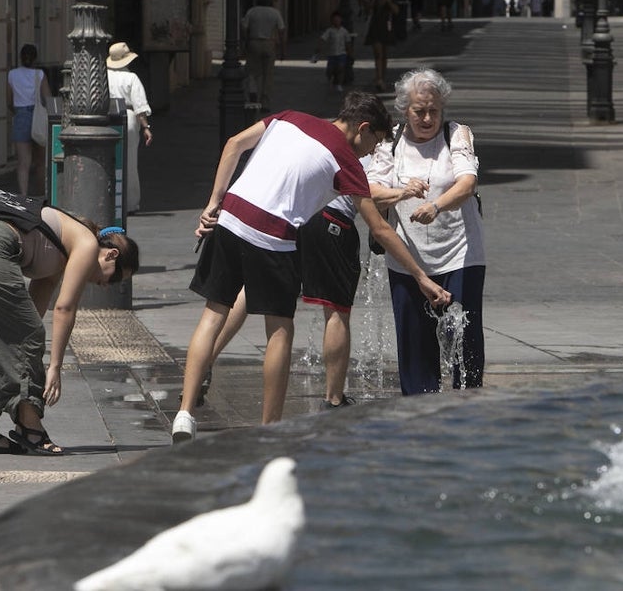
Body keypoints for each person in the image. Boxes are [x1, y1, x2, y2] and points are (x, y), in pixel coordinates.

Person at [172, 91, 451, 441]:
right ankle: (270, 429)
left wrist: (214, 203)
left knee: (213, 315)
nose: (370, 152)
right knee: (280, 330)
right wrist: (421, 276)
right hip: (272, 234)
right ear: (362, 128)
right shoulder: (346, 160)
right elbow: (378, 227)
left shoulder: (289, 117)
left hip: (229, 217)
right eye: (374, 143)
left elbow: (233, 145)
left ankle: (183, 415)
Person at [0, 206, 140, 456]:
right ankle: (30, 428)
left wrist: (19, 344)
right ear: (111, 255)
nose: (105, 285)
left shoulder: (61, 246)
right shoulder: (86, 244)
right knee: (26, 339)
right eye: (114, 278)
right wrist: (54, 367)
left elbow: (33, 311)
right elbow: (64, 308)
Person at [365, 68, 486, 395]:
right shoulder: (390, 143)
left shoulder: (457, 135)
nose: (428, 117)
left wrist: (435, 206)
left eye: (434, 110)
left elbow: (467, 182)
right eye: (420, 111)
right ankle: (418, 414)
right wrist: (403, 193)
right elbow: (371, 191)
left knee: (465, 341)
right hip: (406, 259)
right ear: (405, 109)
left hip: (461, 254)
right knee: (415, 345)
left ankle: (468, 407)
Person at [206, 190, 366, 410]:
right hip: (331, 219)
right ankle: (334, 399)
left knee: (250, 286)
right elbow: (371, 193)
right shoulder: (367, 155)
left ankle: (205, 361)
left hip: (291, 217)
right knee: (336, 310)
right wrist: (401, 194)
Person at [105, 42, 153, 214]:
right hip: (128, 116)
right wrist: (146, 127)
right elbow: (139, 105)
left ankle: (108, 199)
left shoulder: (103, 76)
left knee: (108, 159)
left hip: (107, 117)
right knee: (130, 161)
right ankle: (130, 203)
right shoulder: (131, 78)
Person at [7, 44, 50, 196]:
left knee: (23, 163)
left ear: (20, 57)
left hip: (20, 116)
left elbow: (9, 101)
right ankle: (40, 194)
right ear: (35, 59)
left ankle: (23, 195)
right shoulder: (40, 74)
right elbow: (47, 98)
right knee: (40, 162)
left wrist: (17, 112)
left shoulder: (12, 74)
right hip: (37, 116)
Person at [241, 0, 286, 111]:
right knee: (268, 74)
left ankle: (252, 92)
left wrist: (245, 42)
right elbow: (281, 31)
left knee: (252, 71)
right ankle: (265, 102)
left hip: (254, 42)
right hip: (269, 44)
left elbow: (244, 28)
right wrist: (282, 49)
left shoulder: (252, 11)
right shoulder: (275, 13)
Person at [364, 0, 398, 93]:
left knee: (384, 55)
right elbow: (368, 11)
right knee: (378, 54)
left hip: (386, 28)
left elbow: (396, 11)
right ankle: (378, 78)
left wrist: (388, 1)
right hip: (375, 27)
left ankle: (382, 77)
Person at [314, 10, 353, 93]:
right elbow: (323, 39)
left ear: (341, 20)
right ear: (332, 21)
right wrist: (319, 47)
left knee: (341, 68)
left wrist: (350, 52)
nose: (336, 21)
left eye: (338, 20)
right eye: (334, 20)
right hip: (331, 54)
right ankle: (331, 79)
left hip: (342, 53)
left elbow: (348, 42)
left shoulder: (344, 31)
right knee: (330, 70)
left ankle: (339, 84)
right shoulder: (330, 31)